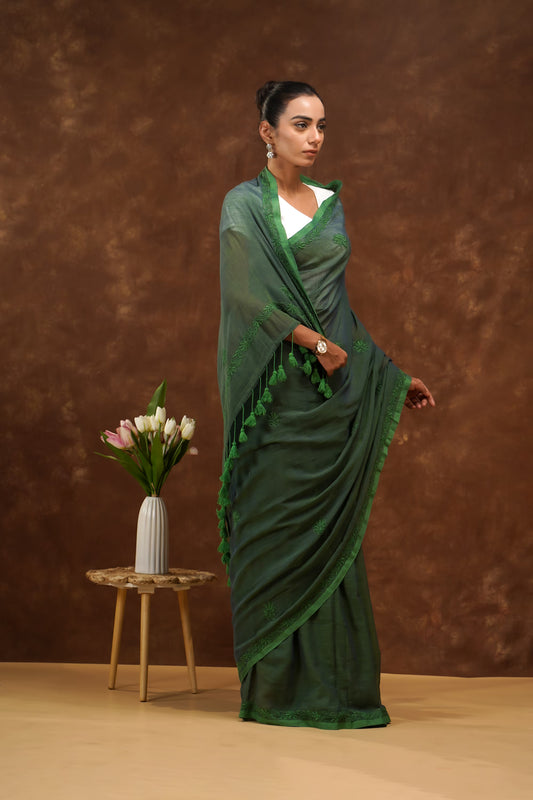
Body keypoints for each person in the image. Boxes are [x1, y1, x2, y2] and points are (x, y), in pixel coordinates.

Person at [217, 80, 435, 730]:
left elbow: (341, 310)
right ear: (267, 131)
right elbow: (245, 296)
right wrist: (310, 342)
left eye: (321, 126)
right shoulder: (242, 206)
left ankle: (337, 692)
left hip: (331, 400)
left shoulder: (329, 205)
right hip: (276, 397)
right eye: (300, 124)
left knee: (331, 540)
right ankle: (275, 692)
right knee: (275, 536)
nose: (314, 137)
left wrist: (392, 374)